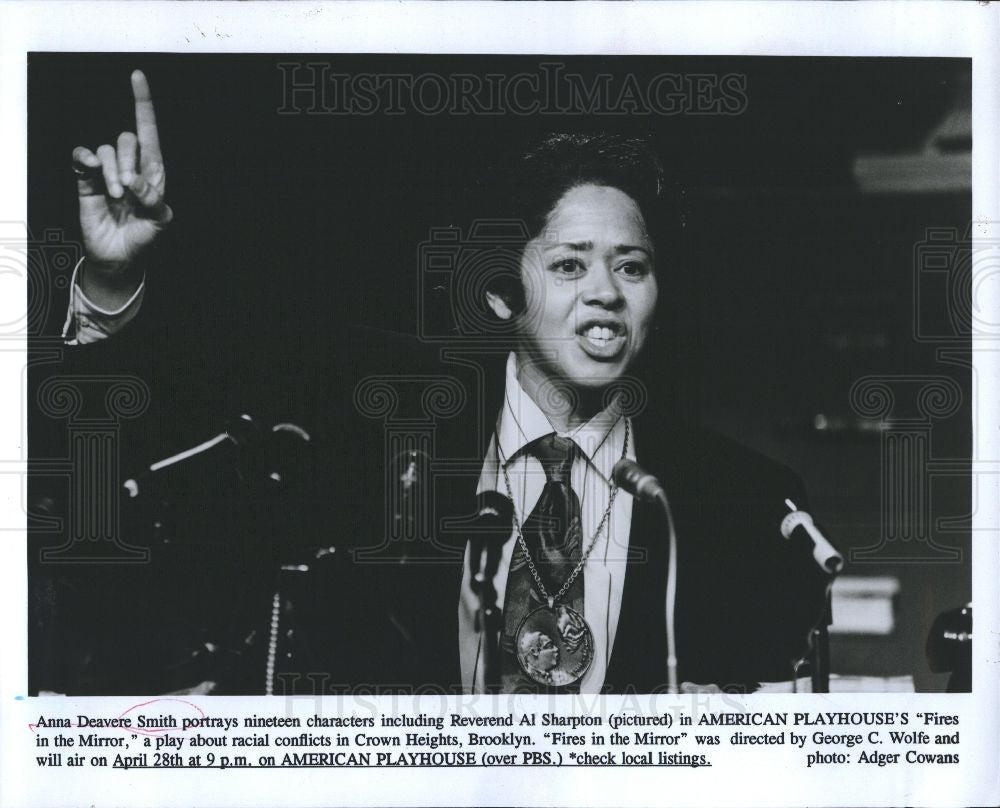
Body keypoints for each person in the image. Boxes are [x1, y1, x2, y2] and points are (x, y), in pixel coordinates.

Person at [54, 70, 830, 695]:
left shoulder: (741, 500)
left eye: (632, 266)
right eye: (569, 264)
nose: (606, 291)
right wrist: (114, 279)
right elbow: (140, 452)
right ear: (498, 293)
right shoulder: (372, 431)